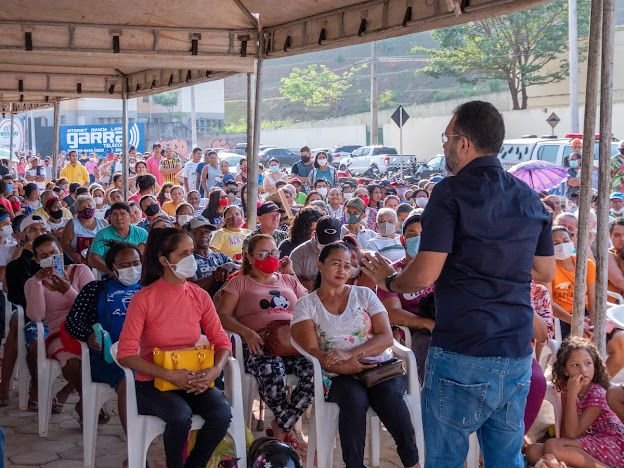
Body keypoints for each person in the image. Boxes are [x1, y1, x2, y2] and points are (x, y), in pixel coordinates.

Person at [361, 101, 555, 466]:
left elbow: (425, 274)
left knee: (446, 460)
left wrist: (389, 279)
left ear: (463, 143)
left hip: (463, 350)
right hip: (515, 351)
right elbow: (545, 271)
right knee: (505, 459)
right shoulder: (529, 198)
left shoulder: (449, 193)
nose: (445, 144)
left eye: (447, 137)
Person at [291, 241, 420, 468]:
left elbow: (385, 337)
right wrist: (343, 366)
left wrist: (350, 355)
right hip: (337, 374)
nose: (342, 270)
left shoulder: (364, 295)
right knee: (353, 400)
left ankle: (413, 463)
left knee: (389, 398)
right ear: (320, 265)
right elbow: (312, 350)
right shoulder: (306, 305)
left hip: (379, 367)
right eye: (336, 264)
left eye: (347, 265)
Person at [117, 228, 233, 468]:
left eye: (191, 252)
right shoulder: (144, 299)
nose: (191, 258)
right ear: (164, 260)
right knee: (180, 417)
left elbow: (222, 341)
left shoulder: (199, 295)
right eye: (183, 253)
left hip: (192, 379)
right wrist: (170, 375)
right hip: (152, 384)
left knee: (221, 414)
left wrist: (214, 371)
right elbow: (126, 354)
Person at [217, 234, 312, 451]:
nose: (270, 257)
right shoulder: (239, 282)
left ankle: (282, 425)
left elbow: (309, 306)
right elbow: (222, 315)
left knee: (315, 373)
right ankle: (287, 428)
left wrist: (292, 273)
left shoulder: (288, 280)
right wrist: (247, 333)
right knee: (272, 369)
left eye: (273, 252)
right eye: (262, 253)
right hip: (259, 344)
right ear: (250, 257)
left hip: (293, 344)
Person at [66, 241, 143, 434]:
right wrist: (89, 336)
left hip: (146, 354)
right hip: (108, 358)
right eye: (124, 265)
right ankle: (134, 444)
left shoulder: (149, 288)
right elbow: (72, 321)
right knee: (129, 380)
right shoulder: (95, 290)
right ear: (112, 267)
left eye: (136, 263)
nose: (132, 269)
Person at [526, 337, 624, 467]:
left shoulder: (597, 393)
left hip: (613, 443)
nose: (583, 370)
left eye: (588, 363)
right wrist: (569, 394)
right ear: (565, 370)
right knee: (532, 451)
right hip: (592, 441)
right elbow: (565, 435)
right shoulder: (567, 389)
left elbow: (572, 434)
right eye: (575, 365)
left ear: (595, 365)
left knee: (553, 447)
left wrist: (571, 395)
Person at [26, 234, 95, 418]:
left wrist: (68, 290)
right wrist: (37, 283)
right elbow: (37, 316)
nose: (50, 258)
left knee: (93, 353)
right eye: (44, 256)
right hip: (58, 332)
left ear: (61, 252)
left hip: (85, 328)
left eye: (53, 253)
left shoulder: (80, 271)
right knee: (71, 360)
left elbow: (92, 307)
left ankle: (83, 402)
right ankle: (89, 402)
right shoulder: (33, 283)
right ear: (37, 260)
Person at [377, 213, 433, 382]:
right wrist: (426, 324)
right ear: (402, 240)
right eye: (412, 235)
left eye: (423, 234)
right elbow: (392, 312)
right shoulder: (391, 273)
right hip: (412, 333)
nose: (418, 239)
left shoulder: (438, 269)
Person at [0, 215, 48, 408]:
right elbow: (13, 291)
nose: (38, 233)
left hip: (54, 309)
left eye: (42, 230)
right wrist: (23, 253)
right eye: (33, 230)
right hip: (27, 308)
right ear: (24, 234)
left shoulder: (55, 254)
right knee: (17, 320)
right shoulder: (19, 258)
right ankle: (5, 385)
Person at [88, 203, 148, 276]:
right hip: (110, 275)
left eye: (123, 214)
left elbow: (148, 256)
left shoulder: (141, 233)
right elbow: (93, 259)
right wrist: (113, 272)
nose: (119, 218)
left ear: (129, 216)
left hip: (138, 274)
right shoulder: (102, 234)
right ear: (110, 217)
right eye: (115, 214)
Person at [187, 217, 238, 297]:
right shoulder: (187, 259)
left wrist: (231, 265)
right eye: (198, 231)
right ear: (189, 235)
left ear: (210, 236)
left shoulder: (220, 256)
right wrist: (216, 275)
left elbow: (244, 266)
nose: (203, 234)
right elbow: (193, 288)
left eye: (207, 231)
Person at [291, 216, 342, 291]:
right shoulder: (299, 253)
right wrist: (305, 284)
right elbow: (290, 282)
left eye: (332, 243)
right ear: (315, 234)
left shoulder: (345, 252)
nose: (328, 247)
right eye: (324, 242)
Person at [61, 195, 107, 265]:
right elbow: (64, 244)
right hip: (79, 262)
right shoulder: (72, 224)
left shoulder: (103, 223)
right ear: (77, 210)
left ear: (94, 207)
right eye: (82, 207)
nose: (87, 208)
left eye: (89, 206)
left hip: (100, 261)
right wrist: (73, 254)